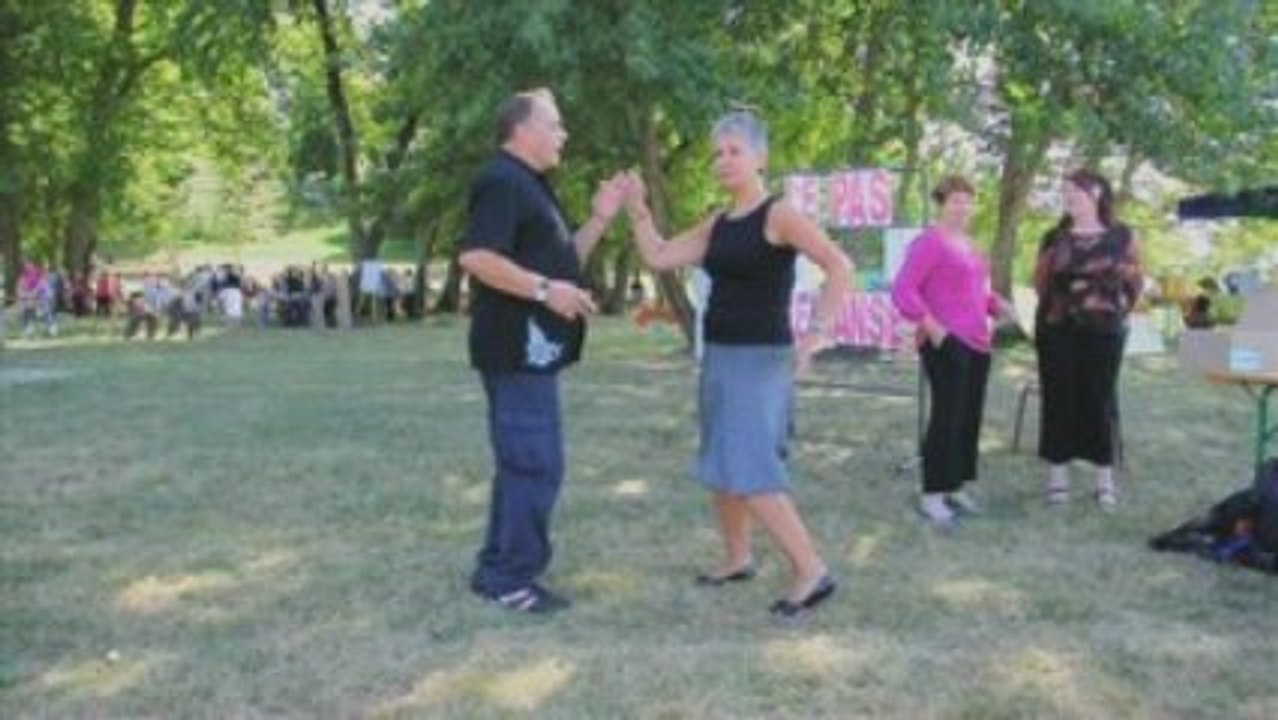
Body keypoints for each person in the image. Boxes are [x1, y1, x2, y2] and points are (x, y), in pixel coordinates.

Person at [622, 110, 852, 618]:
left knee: (751, 467)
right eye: (718, 153)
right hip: (720, 356)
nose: (724, 160)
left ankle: (812, 571)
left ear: (760, 157)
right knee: (723, 464)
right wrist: (637, 209)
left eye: (735, 151)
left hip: (761, 360)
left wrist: (817, 333)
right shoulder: (718, 223)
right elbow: (660, 255)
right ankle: (737, 557)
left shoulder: (780, 215)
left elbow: (840, 266)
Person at [459, 88, 626, 614]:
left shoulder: (531, 186)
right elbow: (477, 256)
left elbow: (561, 263)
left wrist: (599, 219)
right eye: (554, 124)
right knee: (536, 464)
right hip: (515, 352)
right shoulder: (501, 180)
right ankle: (511, 579)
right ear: (523, 130)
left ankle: (496, 567)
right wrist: (542, 292)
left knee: (522, 463)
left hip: (532, 353)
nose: (564, 134)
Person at [891, 176, 1015, 527]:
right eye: (955, 201)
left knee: (969, 416)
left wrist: (996, 304)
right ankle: (932, 495)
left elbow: (976, 292)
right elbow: (903, 289)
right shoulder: (929, 242)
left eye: (968, 201)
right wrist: (931, 326)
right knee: (947, 415)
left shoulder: (971, 245)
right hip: (946, 341)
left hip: (978, 341)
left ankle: (956, 485)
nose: (962, 207)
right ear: (941, 204)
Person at [1033, 169, 1142, 509]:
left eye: (1075, 191)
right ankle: (1057, 478)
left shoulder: (1122, 235)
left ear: (1096, 193)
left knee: (1100, 398)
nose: (1069, 198)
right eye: (1064, 193)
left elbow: (1135, 281)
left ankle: (1104, 480)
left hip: (1105, 331)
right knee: (1058, 397)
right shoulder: (1054, 237)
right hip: (1057, 329)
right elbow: (1041, 282)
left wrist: (1115, 310)